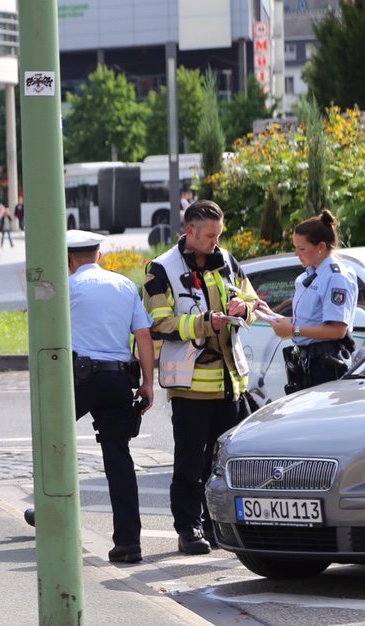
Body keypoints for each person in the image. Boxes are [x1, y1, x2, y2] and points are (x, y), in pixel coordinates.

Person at [26, 231, 155, 563]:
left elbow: (43, 330)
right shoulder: (124, 285)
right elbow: (143, 335)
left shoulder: (65, 287)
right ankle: (129, 542)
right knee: (118, 458)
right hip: (117, 379)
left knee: (51, 439)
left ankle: (49, 510)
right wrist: (149, 384)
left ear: (68, 259)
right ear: (99, 256)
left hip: (77, 379)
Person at [144, 200, 259, 555]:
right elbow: (159, 323)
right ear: (189, 230)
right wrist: (204, 323)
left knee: (223, 463)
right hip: (191, 387)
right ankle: (188, 529)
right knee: (190, 463)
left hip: (230, 383)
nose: (215, 242)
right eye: (210, 235)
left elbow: (253, 299)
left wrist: (244, 309)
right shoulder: (160, 269)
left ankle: (217, 527)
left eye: (219, 235)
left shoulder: (226, 260)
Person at [267, 209, 359, 390]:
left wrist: (294, 330)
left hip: (326, 364)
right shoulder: (310, 276)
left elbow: (337, 331)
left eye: (301, 248)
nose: (296, 254)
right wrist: (269, 314)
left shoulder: (335, 277)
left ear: (321, 247)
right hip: (307, 362)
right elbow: (310, 320)